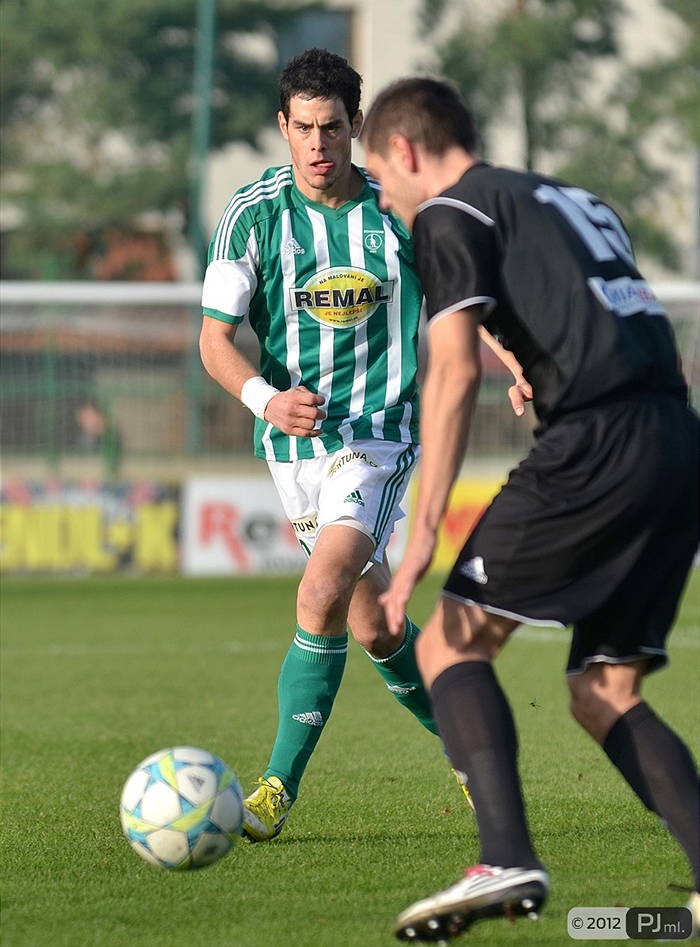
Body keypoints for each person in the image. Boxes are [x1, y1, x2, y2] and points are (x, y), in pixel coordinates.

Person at [361, 76, 700, 942]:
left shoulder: (449, 211)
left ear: (404, 149)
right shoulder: (564, 197)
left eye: (382, 176)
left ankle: (504, 853)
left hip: (595, 443)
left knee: (449, 640)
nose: (389, 200)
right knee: (603, 687)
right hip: (674, 435)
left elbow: (450, 372)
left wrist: (421, 536)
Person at [199, 52, 486, 843]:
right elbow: (214, 342)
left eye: (332, 128)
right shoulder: (252, 214)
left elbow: (469, 296)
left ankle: (273, 791)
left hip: (378, 437)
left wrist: (523, 361)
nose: (318, 144)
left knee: (321, 590)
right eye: (303, 128)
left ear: (355, 127)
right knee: (374, 628)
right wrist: (266, 397)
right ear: (282, 128)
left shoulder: (398, 212)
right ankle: (475, 751)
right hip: (293, 450)